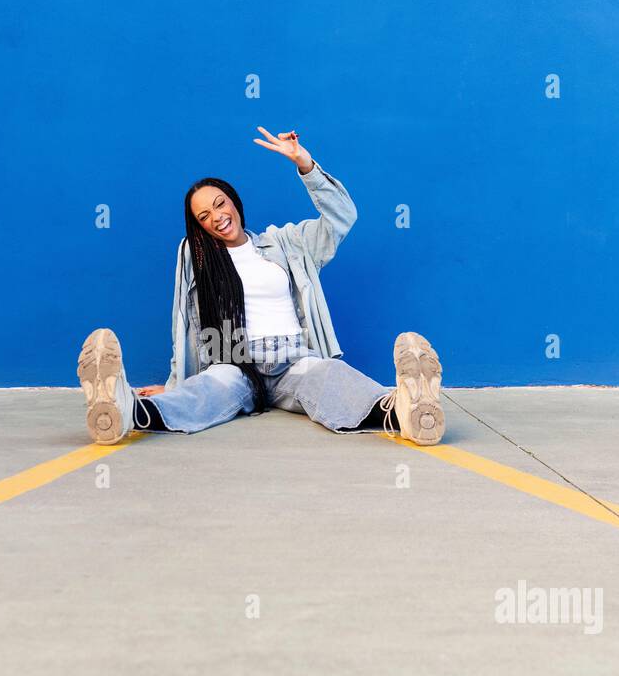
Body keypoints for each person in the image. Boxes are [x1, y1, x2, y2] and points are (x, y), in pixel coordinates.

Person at [76, 126, 444, 447]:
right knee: (204, 392)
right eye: (204, 216)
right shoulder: (196, 257)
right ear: (199, 228)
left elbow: (342, 218)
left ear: (234, 201)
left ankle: (404, 411)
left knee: (330, 377)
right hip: (236, 361)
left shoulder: (286, 244)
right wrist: (176, 383)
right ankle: (128, 411)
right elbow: (182, 323)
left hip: (293, 359)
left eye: (220, 204)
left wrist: (305, 164)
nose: (217, 217)